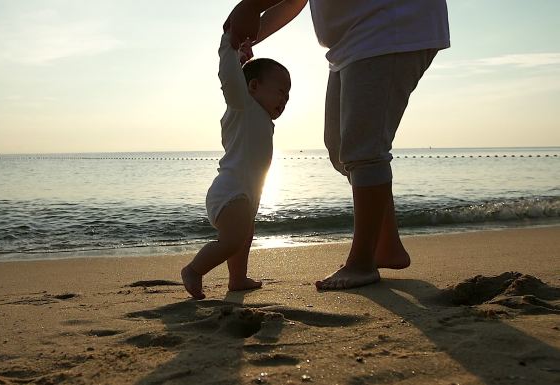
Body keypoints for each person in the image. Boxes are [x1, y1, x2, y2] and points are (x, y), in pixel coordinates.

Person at [223, 0, 450, 289]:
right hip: (352, 41)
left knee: (364, 149)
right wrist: (248, 38)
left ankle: (362, 262)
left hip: (388, 26)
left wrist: (253, 5)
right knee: (340, 146)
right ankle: (387, 245)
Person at [181, 28, 291, 300]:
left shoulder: (262, 118)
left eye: (288, 97)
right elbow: (229, 77)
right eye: (281, 92)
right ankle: (194, 270)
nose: (284, 100)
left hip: (246, 193)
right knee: (233, 240)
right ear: (253, 87)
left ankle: (238, 279)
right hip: (229, 192)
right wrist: (230, 48)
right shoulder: (242, 105)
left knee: (244, 237)